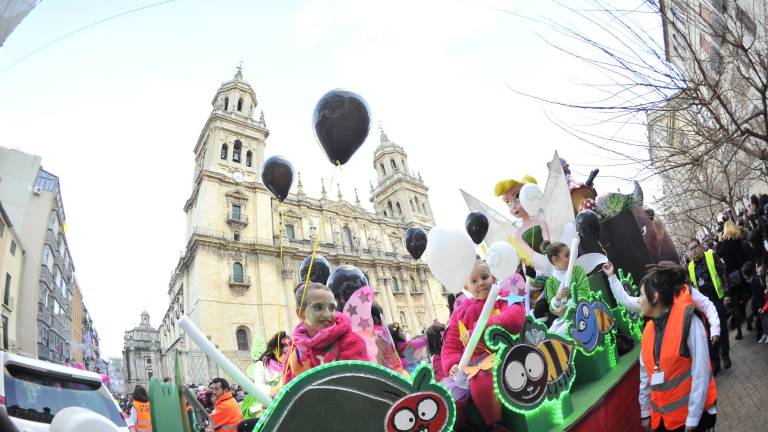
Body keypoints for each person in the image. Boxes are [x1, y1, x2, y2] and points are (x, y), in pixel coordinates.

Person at [441, 258, 525, 430]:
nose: (481, 283)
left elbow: (516, 315)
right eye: (474, 281)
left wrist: (482, 328)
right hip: (469, 365)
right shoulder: (460, 311)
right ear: (466, 286)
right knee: (446, 397)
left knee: (482, 380)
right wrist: (452, 364)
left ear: (492, 277)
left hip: (503, 357)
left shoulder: (506, 295)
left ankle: (495, 424)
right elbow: (450, 344)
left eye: (484, 277)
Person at [638, 262, 717, 432]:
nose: (638, 300)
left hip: (691, 421)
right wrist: (645, 413)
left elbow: (701, 372)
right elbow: (645, 376)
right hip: (663, 421)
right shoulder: (647, 331)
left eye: (642, 294)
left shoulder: (688, 319)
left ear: (656, 296)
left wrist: (693, 419)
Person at [604, 261, 721, 343]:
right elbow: (626, 300)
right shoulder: (654, 300)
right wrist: (611, 276)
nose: (640, 298)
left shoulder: (687, 292)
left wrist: (715, 329)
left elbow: (707, 305)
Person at [282, 282, 368, 383]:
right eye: (318, 307)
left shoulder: (352, 342)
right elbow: (287, 390)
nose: (327, 315)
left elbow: (357, 387)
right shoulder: (294, 350)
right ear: (301, 314)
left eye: (331, 308)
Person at [687, 238, 731, 373]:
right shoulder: (689, 267)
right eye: (691, 249)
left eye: (695, 247)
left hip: (717, 298)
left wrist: (727, 293)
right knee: (708, 333)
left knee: (721, 328)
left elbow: (723, 273)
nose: (693, 251)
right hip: (703, 305)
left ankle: (725, 356)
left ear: (701, 247)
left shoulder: (711, 256)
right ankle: (715, 361)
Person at [715, 221, 755, 340]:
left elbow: (718, 254)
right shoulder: (739, 239)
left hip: (732, 277)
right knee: (746, 298)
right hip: (743, 274)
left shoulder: (724, 243)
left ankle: (739, 332)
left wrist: (719, 241)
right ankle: (749, 323)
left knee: (736, 305)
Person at [545, 242, 590, 335]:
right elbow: (552, 309)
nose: (571, 257)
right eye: (567, 255)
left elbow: (585, 292)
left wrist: (568, 303)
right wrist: (557, 298)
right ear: (555, 259)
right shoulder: (550, 282)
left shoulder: (577, 270)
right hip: (563, 318)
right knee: (549, 336)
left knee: (563, 332)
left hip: (582, 312)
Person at [743, 262, 765, 340]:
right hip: (759, 305)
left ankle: (762, 334)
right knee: (761, 321)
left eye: (744, 274)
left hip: (760, 305)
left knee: (762, 321)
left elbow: (758, 296)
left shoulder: (755, 281)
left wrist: (758, 307)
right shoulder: (753, 280)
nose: (743, 276)